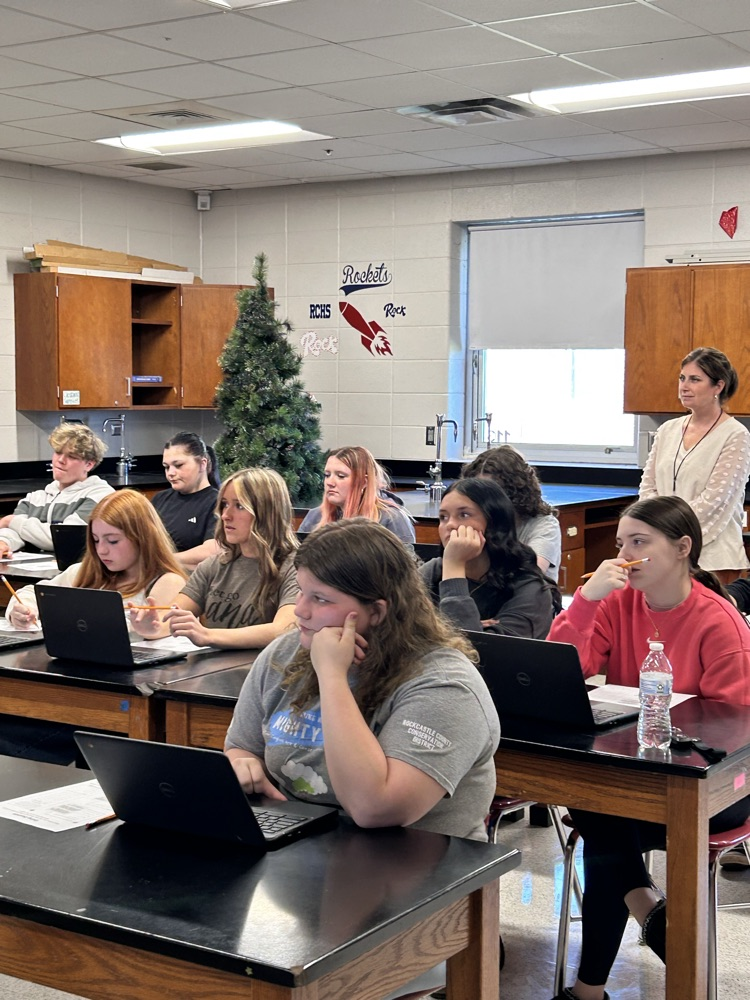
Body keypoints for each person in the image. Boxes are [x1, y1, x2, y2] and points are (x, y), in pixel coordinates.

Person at [547, 495, 750, 1000]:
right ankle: (640, 909)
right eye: (620, 544)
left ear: (682, 549)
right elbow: (562, 668)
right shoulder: (618, 603)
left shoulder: (719, 621)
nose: (625, 555)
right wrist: (586, 600)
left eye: (640, 542)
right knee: (598, 801)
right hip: (633, 770)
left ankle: (592, 986)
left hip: (715, 785)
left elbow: (734, 728)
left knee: (606, 824)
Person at [224, 518, 500, 841]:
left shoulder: (446, 686)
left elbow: (374, 808)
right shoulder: (285, 653)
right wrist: (242, 763)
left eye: (321, 599)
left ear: (377, 612)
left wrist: (331, 677)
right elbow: (242, 746)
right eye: (301, 592)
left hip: (417, 867)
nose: (300, 610)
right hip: (302, 850)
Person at [131, 467, 298, 650]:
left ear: (266, 512)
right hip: (214, 671)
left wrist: (207, 635)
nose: (226, 515)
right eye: (225, 504)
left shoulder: (295, 567)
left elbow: (284, 630)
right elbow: (171, 619)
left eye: (239, 506)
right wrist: (151, 627)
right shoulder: (214, 566)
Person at [639, 346, 750, 576]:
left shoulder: (735, 435)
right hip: (663, 554)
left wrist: (668, 533)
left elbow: (715, 500)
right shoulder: (667, 430)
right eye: (682, 378)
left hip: (712, 561)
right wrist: (660, 534)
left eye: (695, 379)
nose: (684, 386)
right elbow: (647, 488)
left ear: (718, 386)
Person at [6, 489, 186, 630]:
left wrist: (148, 629)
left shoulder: (167, 582)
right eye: (96, 539)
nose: (101, 550)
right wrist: (23, 611)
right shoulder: (84, 571)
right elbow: (32, 594)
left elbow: (156, 631)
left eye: (113, 541)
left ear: (143, 537)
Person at [419, 478, 554, 638]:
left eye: (464, 514)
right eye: (443, 517)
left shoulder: (530, 589)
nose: (450, 525)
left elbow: (470, 652)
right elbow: (395, 628)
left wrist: (454, 566)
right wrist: (471, 628)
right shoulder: (435, 570)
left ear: (494, 523)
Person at [0, 424, 113, 558]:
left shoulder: (101, 497)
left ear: (89, 464)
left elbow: (63, 539)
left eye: (71, 456)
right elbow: (14, 532)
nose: (60, 460)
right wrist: (4, 542)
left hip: (79, 574)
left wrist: (11, 521)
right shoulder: (34, 498)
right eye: (58, 452)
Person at [462, 444, 561, 582]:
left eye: (492, 493)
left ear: (514, 491)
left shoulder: (544, 526)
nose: (483, 501)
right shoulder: (478, 521)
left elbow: (530, 574)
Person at [298, 446, 415, 546]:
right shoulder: (315, 516)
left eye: (340, 476)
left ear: (364, 482)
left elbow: (406, 568)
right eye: (327, 475)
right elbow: (297, 562)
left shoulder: (392, 520)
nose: (330, 482)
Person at [151, 431, 221, 570]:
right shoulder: (160, 499)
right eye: (166, 467)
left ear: (202, 464)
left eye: (178, 465)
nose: (170, 473)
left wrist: (161, 560)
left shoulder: (217, 502)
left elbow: (211, 552)